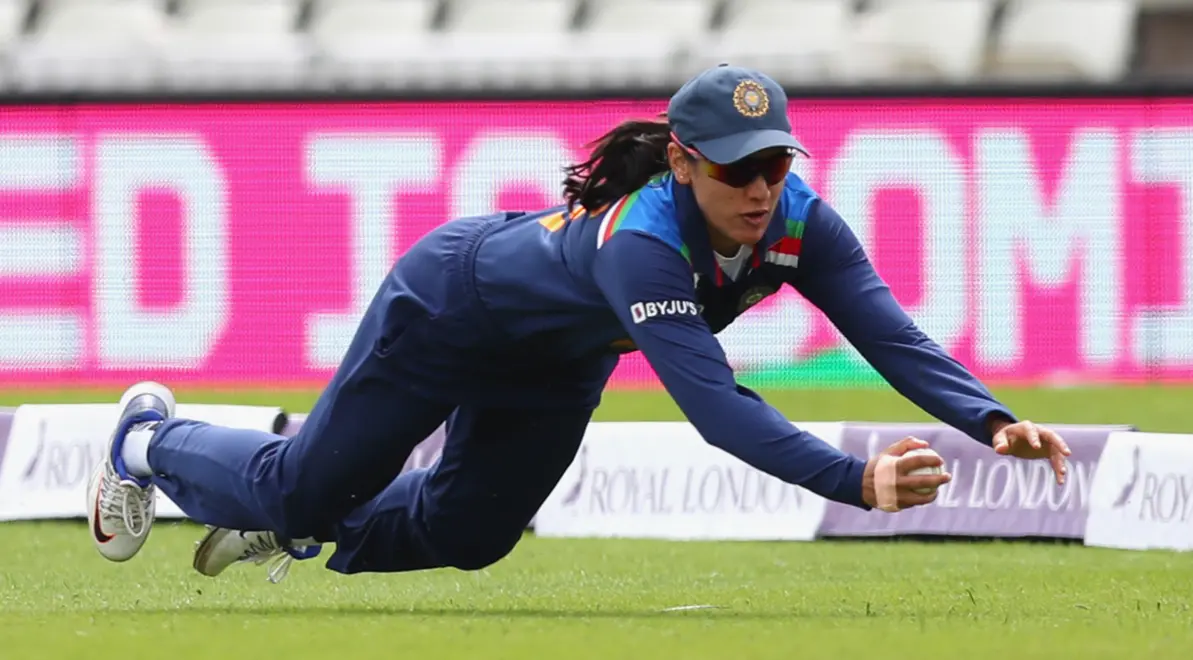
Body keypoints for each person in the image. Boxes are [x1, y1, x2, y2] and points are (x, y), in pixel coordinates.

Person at [87, 64, 1071, 584]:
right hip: (447, 309)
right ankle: (145, 439)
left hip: (553, 366)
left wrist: (987, 419)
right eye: (736, 171)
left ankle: (304, 522)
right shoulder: (641, 242)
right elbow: (718, 410)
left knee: (471, 536)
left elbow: (887, 332)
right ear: (681, 162)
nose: (761, 190)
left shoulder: (799, 221)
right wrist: (852, 479)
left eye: (774, 165)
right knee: (294, 491)